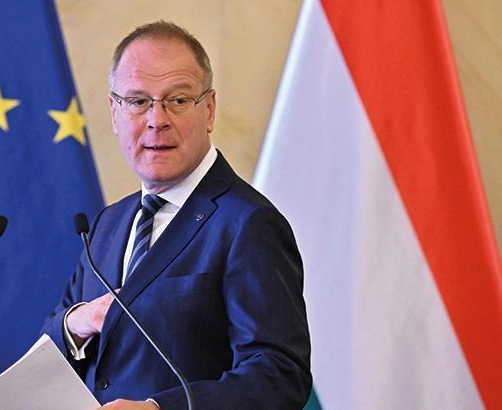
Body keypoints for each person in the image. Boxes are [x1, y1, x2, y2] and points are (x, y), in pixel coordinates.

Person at [42, 21, 311, 409]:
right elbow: (51, 349)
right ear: (114, 113)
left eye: (178, 100)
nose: (157, 119)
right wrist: (76, 323)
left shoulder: (248, 224)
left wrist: (159, 409)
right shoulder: (106, 225)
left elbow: (279, 376)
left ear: (209, 110)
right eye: (138, 101)